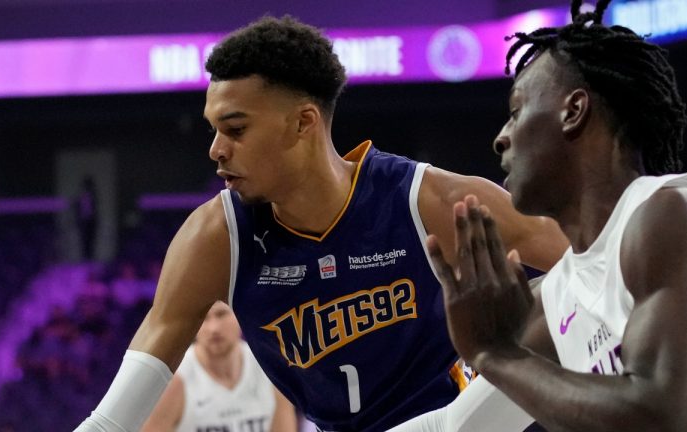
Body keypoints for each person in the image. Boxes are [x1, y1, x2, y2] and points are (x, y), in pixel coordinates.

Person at [74, 16, 569, 432]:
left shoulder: (430, 199)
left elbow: (601, 261)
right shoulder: (216, 238)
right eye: (214, 130)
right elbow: (113, 420)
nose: (215, 149)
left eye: (236, 129)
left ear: (304, 123)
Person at [394, 0, 687, 430]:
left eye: (517, 111)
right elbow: (455, 427)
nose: (500, 139)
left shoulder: (671, 211)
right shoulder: (555, 296)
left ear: (573, 111)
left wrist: (495, 354)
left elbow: (665, 417)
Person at [142, 301, 297, 432]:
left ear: (239, 314)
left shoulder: (269, 366)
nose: (213, 328)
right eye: (204, 318)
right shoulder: (174, 379)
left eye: (221, 314)